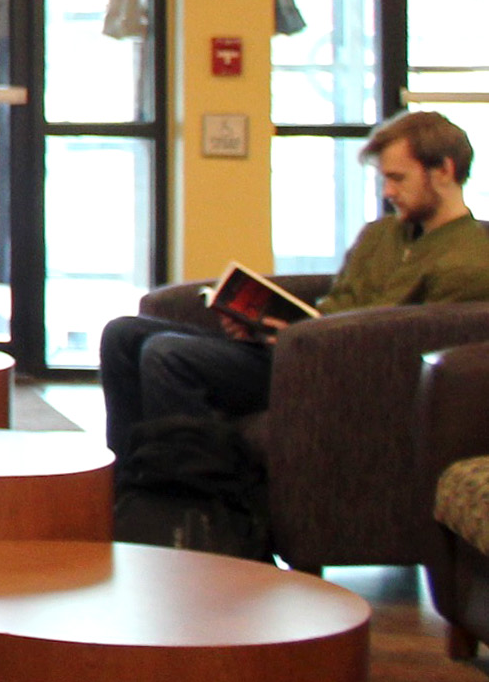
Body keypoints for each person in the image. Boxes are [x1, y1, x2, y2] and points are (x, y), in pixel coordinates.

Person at [99, 109, 489, 454]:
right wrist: (263, 324)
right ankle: (128, 484)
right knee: (123, 334)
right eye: (384, 179)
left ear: (444, 171)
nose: (388, 192)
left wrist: (307, 335)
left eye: (398, 179)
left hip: (334, 371)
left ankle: (199, 495)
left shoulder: (470, 260)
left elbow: (417, 348)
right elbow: (335, 305)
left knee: (167, 354)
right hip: (296, 349)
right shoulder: (381, 234)